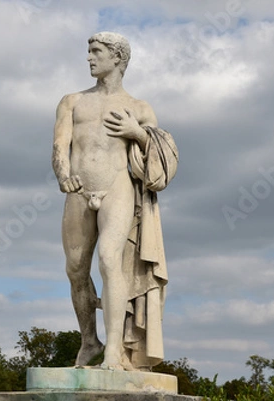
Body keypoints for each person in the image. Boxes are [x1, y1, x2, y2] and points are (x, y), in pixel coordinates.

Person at [52, 32, 179, 371]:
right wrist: (64, 176)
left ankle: (114, 351)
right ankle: (89, 341)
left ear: (118, 58)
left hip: (117, 188)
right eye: (89, 51)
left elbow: (162, 160)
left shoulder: (138, 107)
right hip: (78, 192)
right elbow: (59, 147)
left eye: (96, 52)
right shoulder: (72, 101)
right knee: (76, 269)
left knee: (110, 260)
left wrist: (135, 132)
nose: (90, 58)